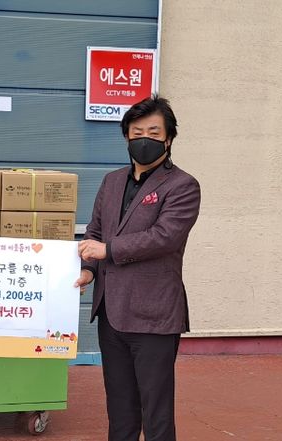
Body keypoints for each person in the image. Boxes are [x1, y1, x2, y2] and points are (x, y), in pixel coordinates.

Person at [75, 95, 201, 441]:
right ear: (126, 137)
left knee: (155, 411)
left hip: (153, 316)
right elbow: (95, 230)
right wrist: (88, 269)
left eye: (153, 133)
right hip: (111, 313)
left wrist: (108, 250)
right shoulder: (112, 181)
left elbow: (164, 237)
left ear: (169, 139)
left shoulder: (182, 186)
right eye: (137, 133)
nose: (144, 140)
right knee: (120, 407)